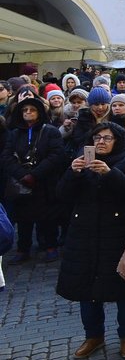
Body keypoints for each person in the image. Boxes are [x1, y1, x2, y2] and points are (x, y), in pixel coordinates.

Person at [56, 122, 125, 360]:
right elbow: (62, 195)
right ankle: (93, 336)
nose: (101, 142)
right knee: (88, 288)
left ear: (119, 140)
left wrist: (109, 173)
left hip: (117, 233)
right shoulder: (82, 162)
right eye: (97, 138)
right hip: (84, 234)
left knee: (123, 287)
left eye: (107, 138)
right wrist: (72, 173)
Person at [1, 96, 67, 264]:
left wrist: (35, 174)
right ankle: (23, 249)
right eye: (25, 110)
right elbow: (6, 156)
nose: (28, 113)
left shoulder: (50, 131)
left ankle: (50, 246)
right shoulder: (15, 133)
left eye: (32, 110)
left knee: (48, 218)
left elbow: (56, 155)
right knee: (23, 219)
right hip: (22, 183)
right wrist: (22, 175)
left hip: (45, 183)